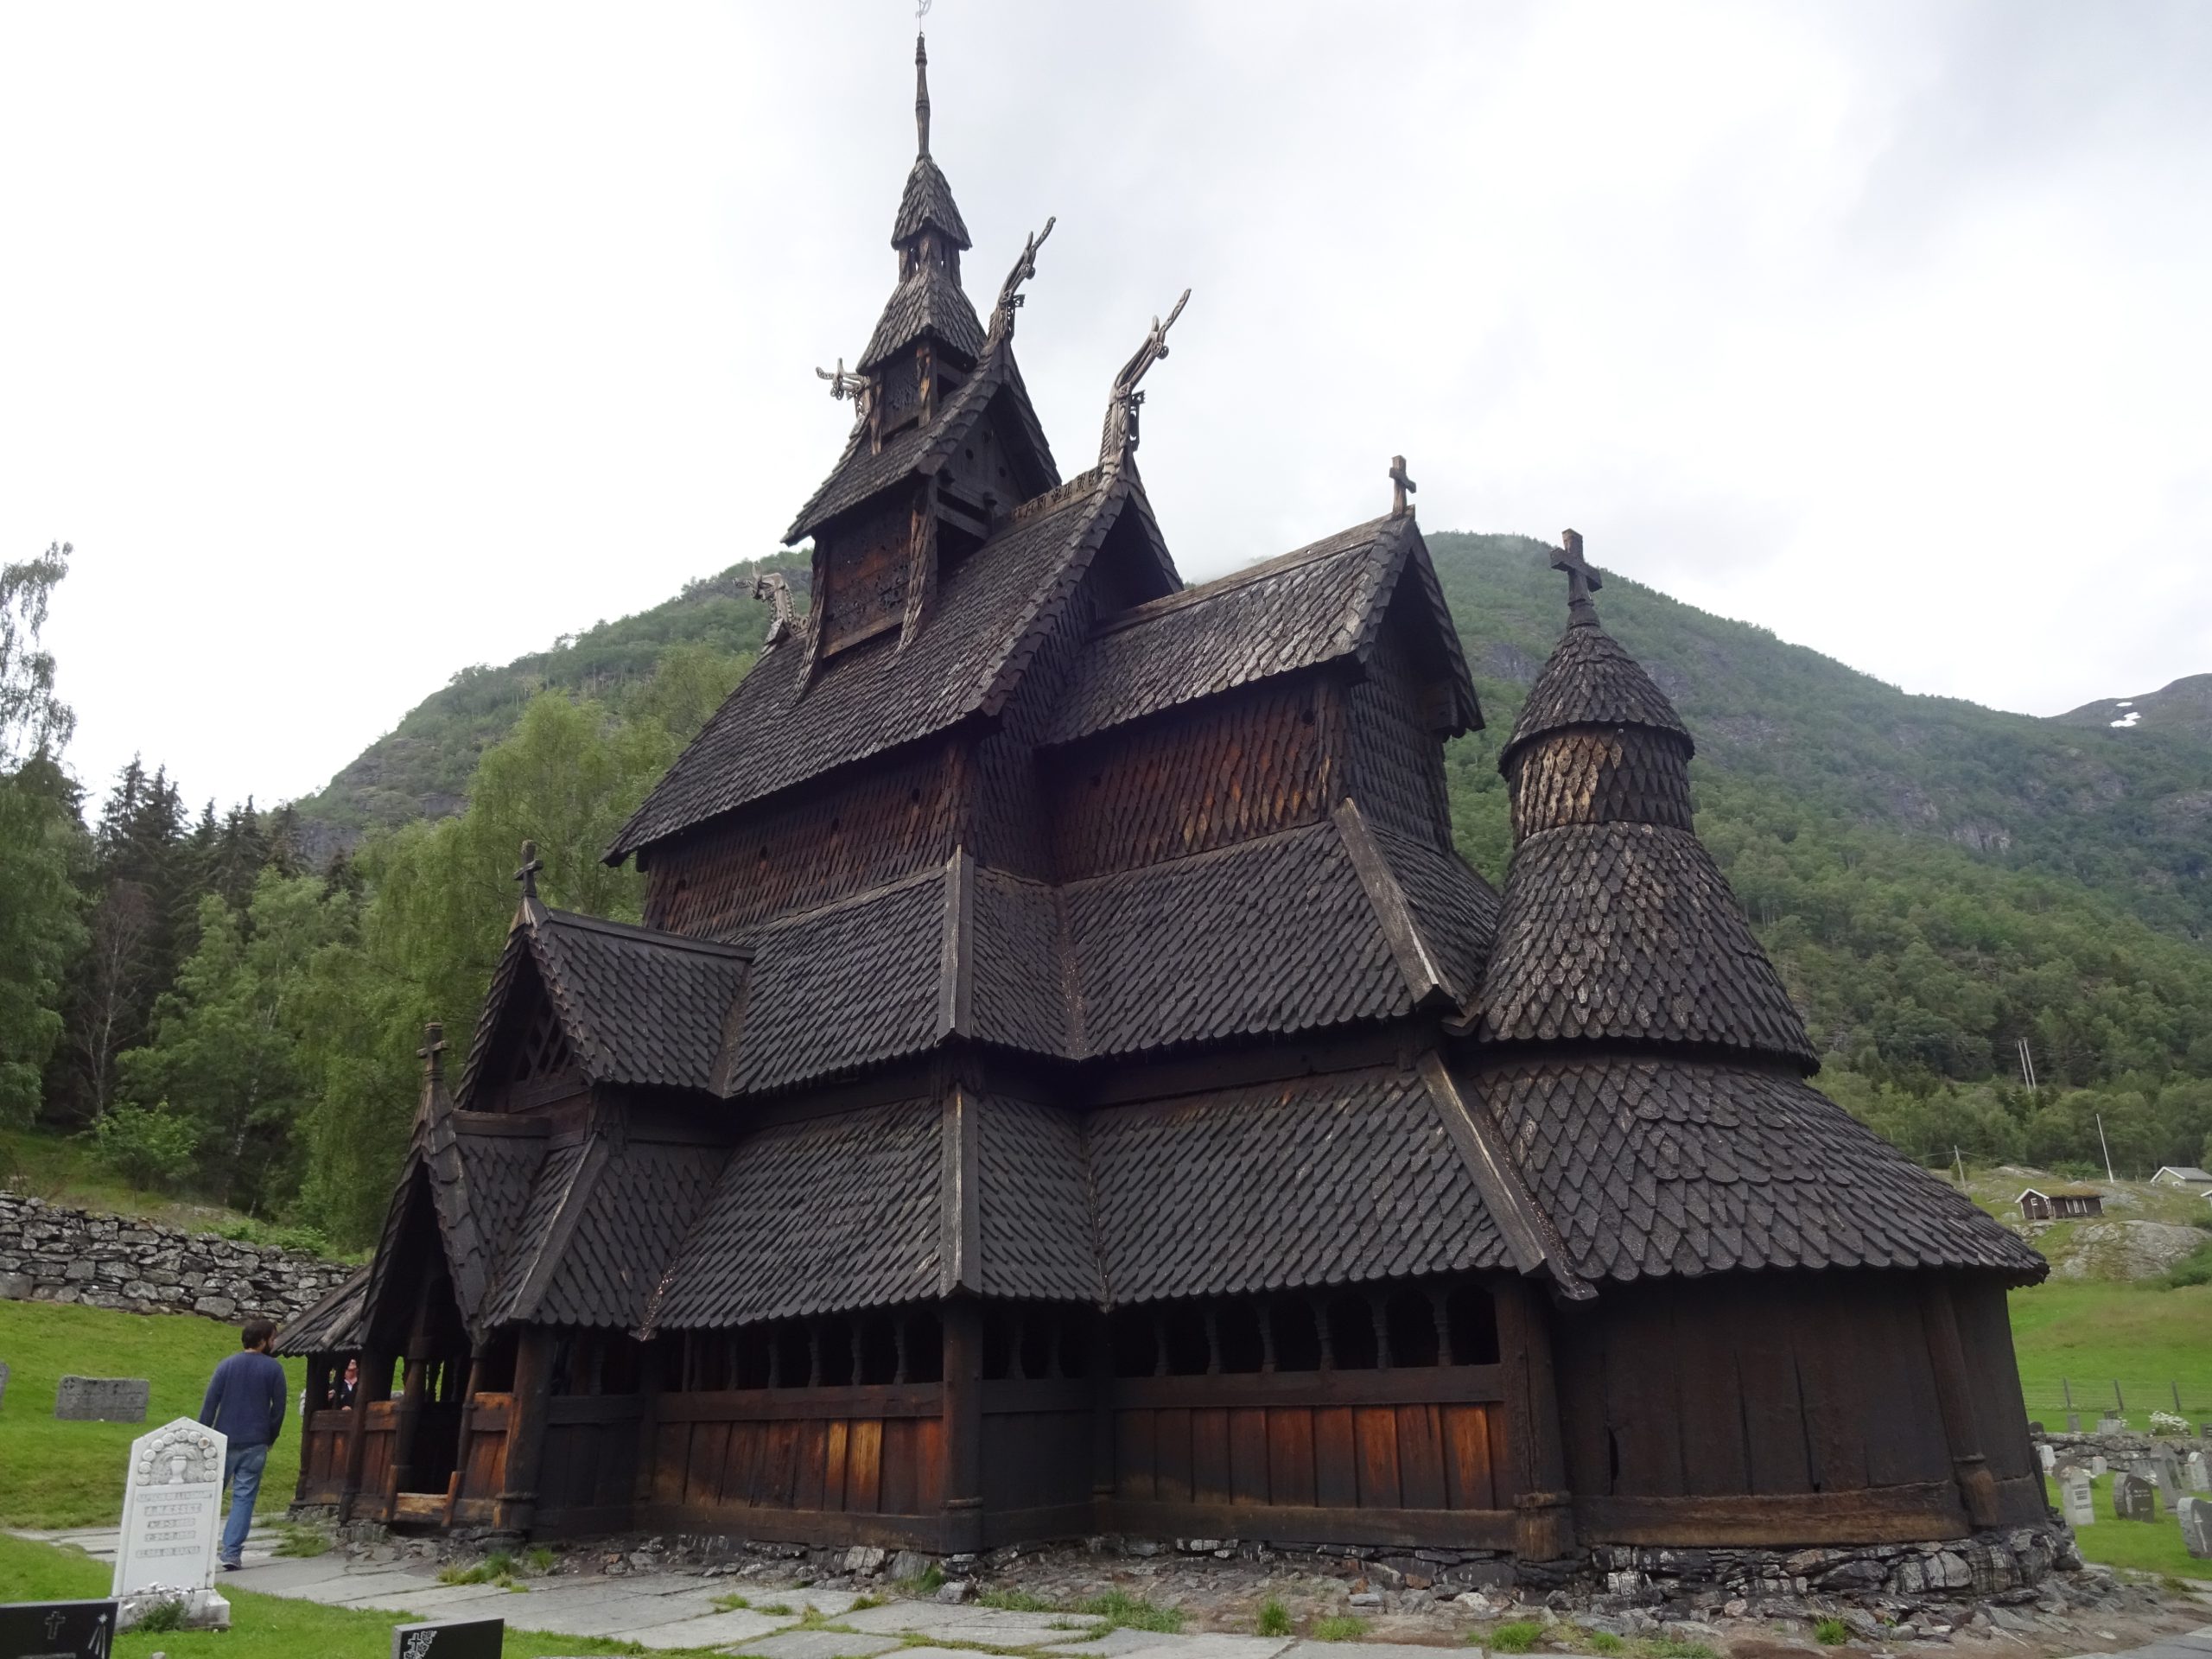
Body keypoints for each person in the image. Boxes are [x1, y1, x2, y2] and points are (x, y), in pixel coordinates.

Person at [198, 1316, 287, 1571]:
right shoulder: (273, 1369)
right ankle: (232, 1552)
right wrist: (271, 1436)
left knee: (211, 1494)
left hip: (222, 1440)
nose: (274, 1342)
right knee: (244, 1497)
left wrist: (202, 1434)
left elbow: (210, 1403)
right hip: (256, 1442)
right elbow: (278, 1409)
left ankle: (199, 1546)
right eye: (272, 1338)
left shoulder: (226, 1365)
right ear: (262, 1341)